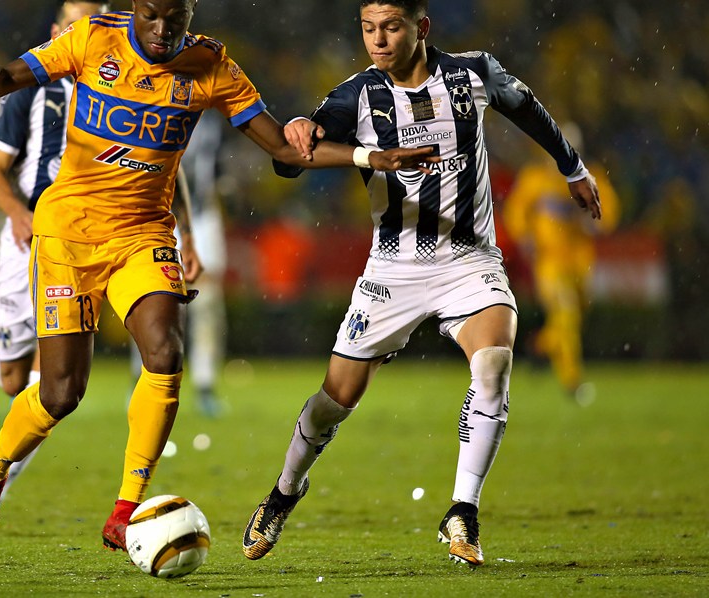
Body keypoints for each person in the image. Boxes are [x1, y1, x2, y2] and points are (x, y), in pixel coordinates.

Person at [0, 0, 435, 553]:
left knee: (164, 352)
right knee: (62, 392)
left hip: (144, 234)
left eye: (175, 18)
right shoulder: (91, 38)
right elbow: (8, 78)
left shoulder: (212, 66)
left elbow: (281, 147)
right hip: (68, 235)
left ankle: (126, 509)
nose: (162, 30)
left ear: (190, 11)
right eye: (151, 16)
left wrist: (371, 159)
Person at [240, 0, 602, 568]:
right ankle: (284, 493)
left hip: (468, 260)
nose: (378, 40)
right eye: (368, 29)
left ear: (421, 27)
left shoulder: (472, 73)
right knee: (335, 401)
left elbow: (527, 108)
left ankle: (463, 511)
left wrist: (572, 167)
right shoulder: (356, 95)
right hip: (394, 269)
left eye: (391, 27)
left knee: (494, 365)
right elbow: (288, 162)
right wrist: (311, 132)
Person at [0, 0, 109, 500]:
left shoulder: (124, 87)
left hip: (81, 239)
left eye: (93, 25)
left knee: (55, 367)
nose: (82, 34)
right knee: (12, 377)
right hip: (27, 234)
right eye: (74, 26)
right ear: (56, 33)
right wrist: (19, 214)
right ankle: (7, 452)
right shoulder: (28, 87)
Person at [502, 126, 621, 403]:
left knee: (571, 321)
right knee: (566, 315)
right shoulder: (535, 179)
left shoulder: (590, 177)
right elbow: (515, 213)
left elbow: (609, 214)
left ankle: (540, 346)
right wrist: (526, 237)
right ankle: (572, 382)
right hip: (550, 262)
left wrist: (594, 221)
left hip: (580, 264)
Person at [129, 110, 228, 417]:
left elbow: (214, 168)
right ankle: (141, 378)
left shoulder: (212, 118)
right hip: (158, 212)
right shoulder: (158, 108)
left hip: (202, 214)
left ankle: (205, 383)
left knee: (207, 302)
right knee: (150, 298)